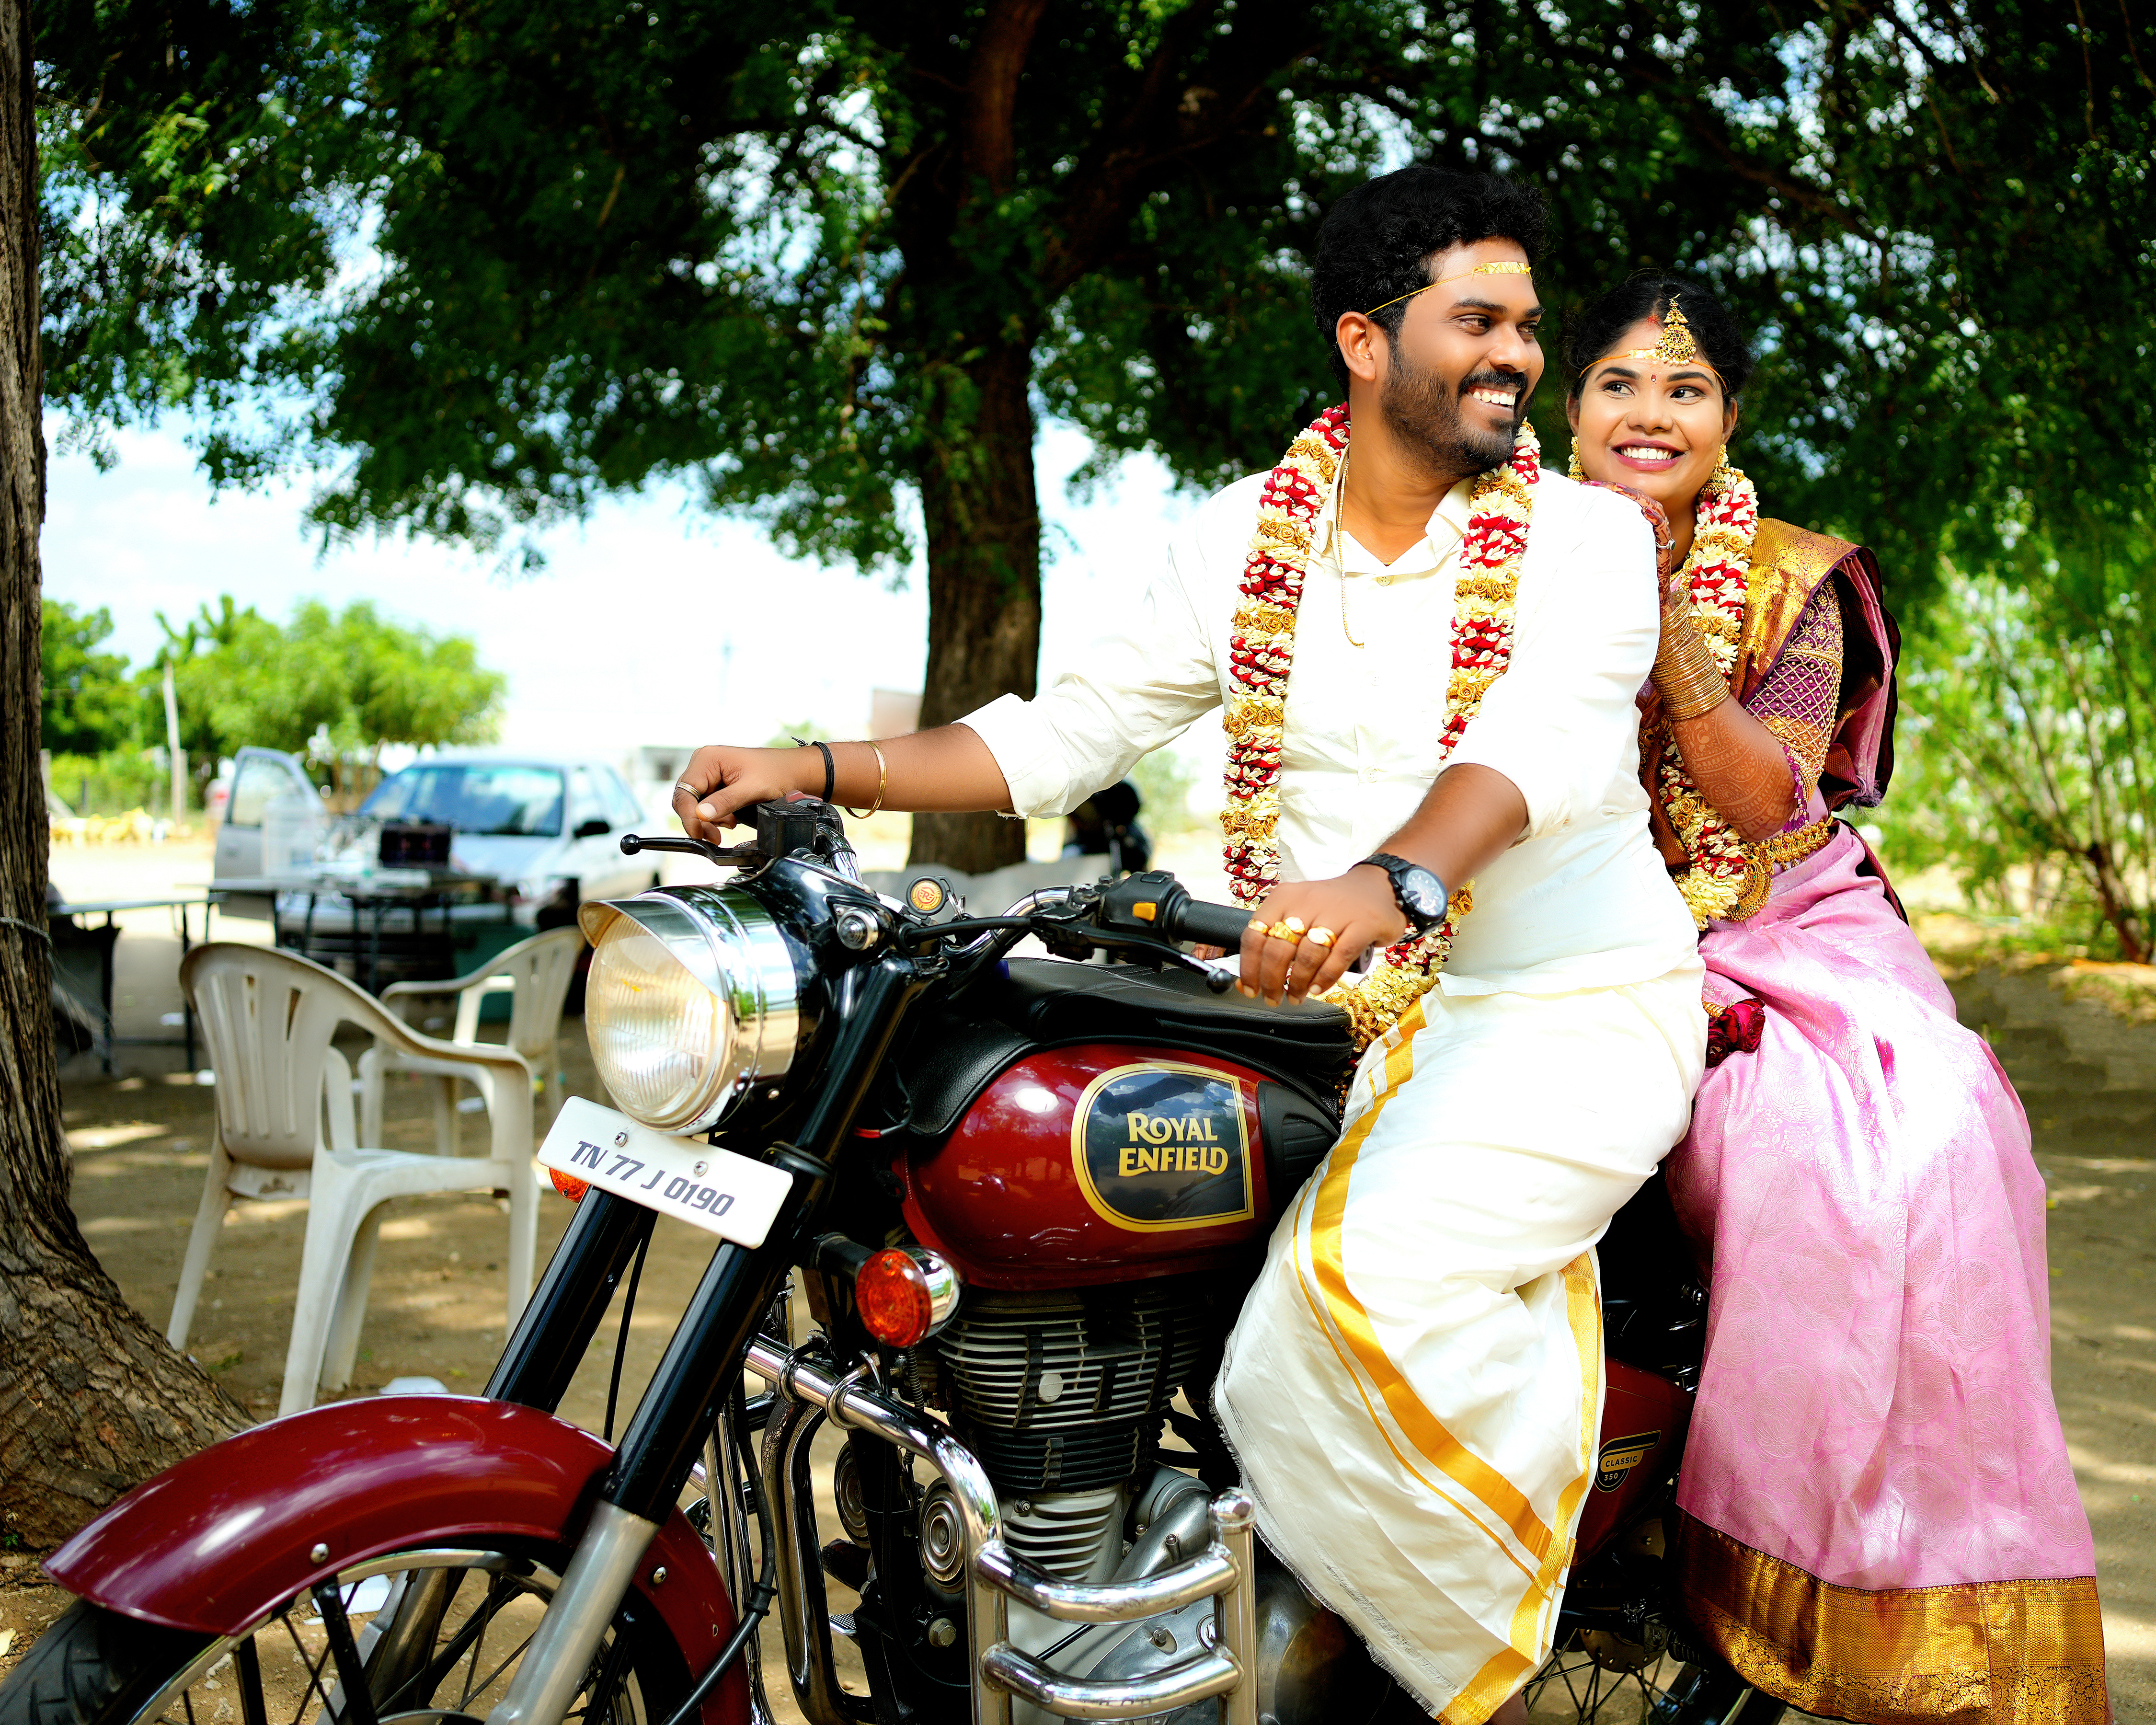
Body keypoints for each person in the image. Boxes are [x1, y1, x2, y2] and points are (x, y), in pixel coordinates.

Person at [676, 166, 1705, 1724]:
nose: (1515, 356)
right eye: (1476, 322)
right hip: (1306, 1016)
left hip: (1561, 1009)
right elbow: (1065, 734)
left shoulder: (1586, 539)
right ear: (1364, 341)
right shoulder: (1244, 536)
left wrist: (1394, 881)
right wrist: (815, 765)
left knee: (1354, 1293)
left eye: (1524, 326)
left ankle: (1415, 1669)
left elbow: (1539, 739)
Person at [1565, 276, 2108, 1723]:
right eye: (1619, 383)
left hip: (1769, 915)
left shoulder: (1787, 578)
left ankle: (1867, 1571)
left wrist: (1662, 625)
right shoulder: (1491, 546)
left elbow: (1768, 805)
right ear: (1571, 405)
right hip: (1534, 908)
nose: (1649, 414)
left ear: (1729, 421)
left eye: (1685, 391)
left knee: (1909, 1132)